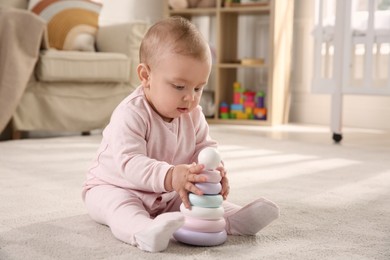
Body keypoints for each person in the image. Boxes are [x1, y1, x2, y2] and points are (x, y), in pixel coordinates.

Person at [82, 16, 279, 253]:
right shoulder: (130, 114)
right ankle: (143, 230)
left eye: (198, 88)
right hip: (115, 187)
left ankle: (231, 218)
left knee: (191, 198)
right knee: (121, 207)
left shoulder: (193, 114)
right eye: (179, 86)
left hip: (168, 190)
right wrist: (172, 175)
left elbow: (204, 149)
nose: (191, 97)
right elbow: (130, 163)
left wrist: (213, 172)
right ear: (146, 76)